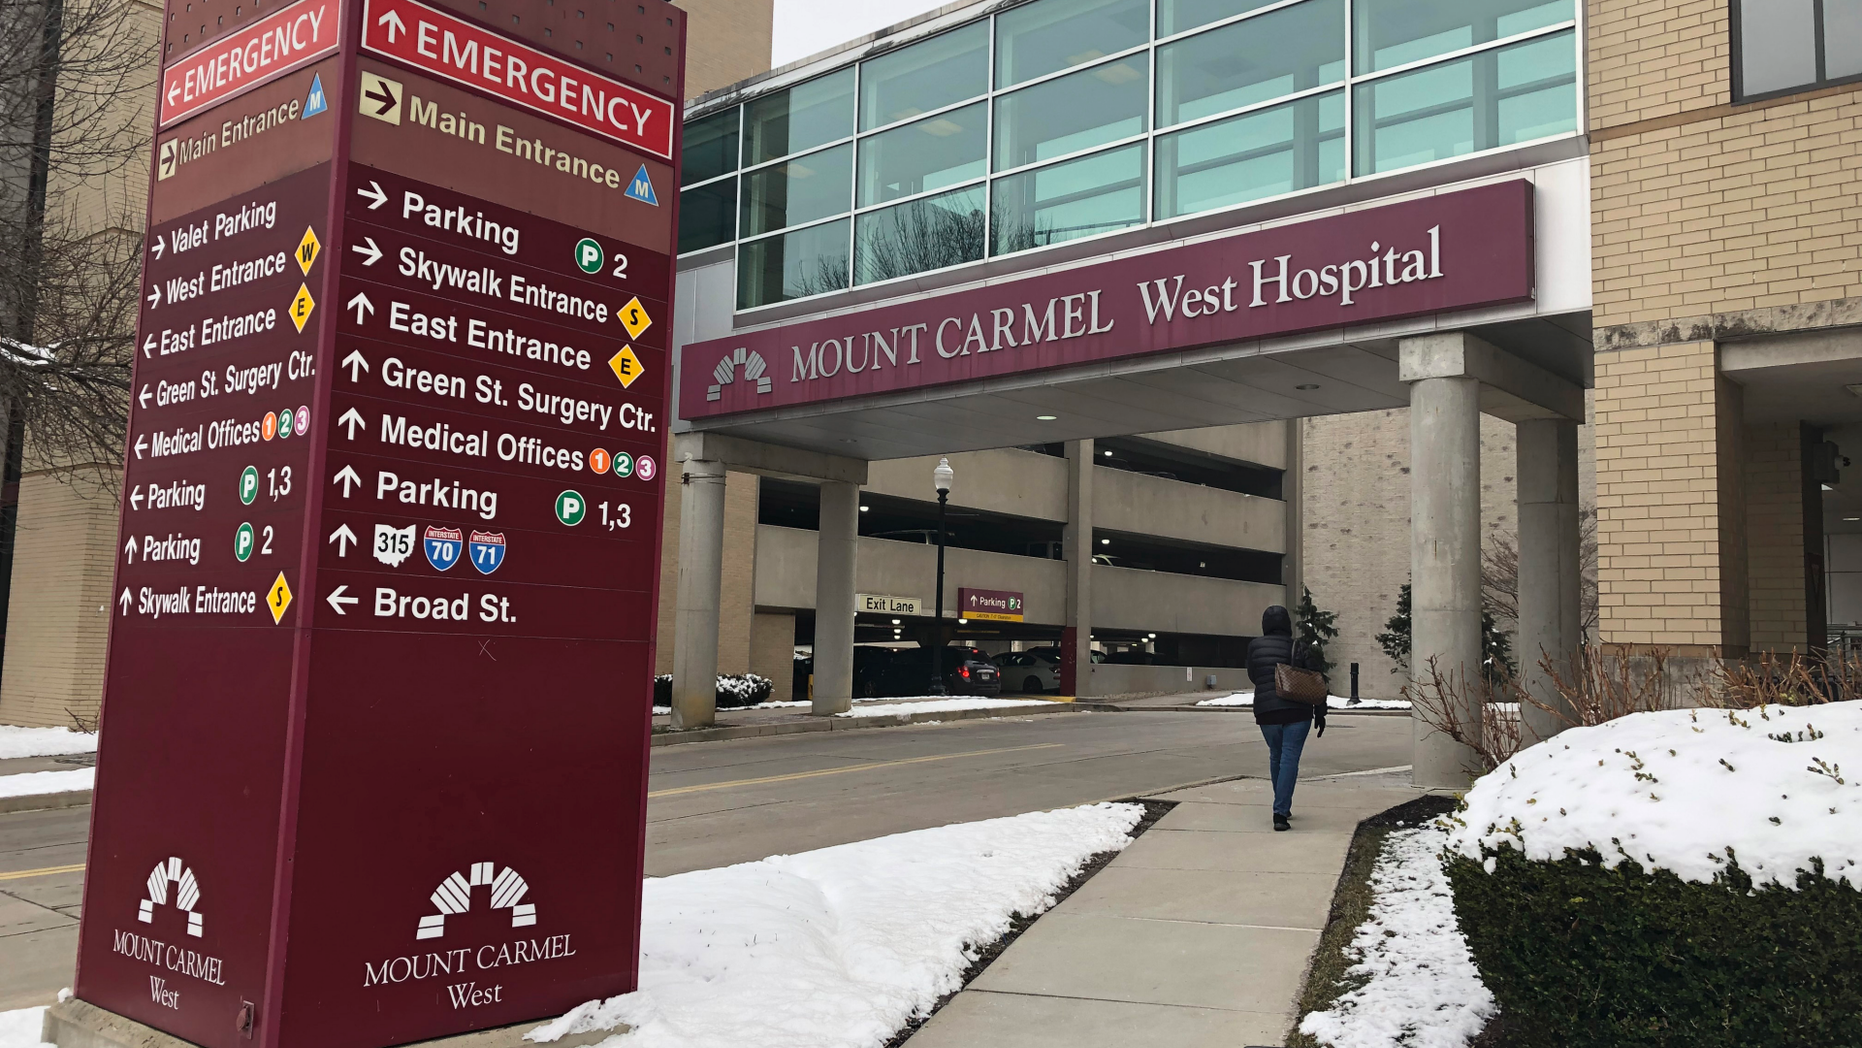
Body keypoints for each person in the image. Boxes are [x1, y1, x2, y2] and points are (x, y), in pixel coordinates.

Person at [1246, 605, 1325, 831]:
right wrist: (1321, 711)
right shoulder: (1298, 645)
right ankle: (1280, 812)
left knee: (1276, 756)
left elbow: (1253, 675)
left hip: (1266, 710)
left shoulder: (1254, 646)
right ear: (1287, 624)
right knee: (1289, 757)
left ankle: (1281, 805)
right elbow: (1314, 680)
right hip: (1297, 710)